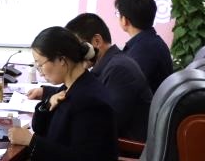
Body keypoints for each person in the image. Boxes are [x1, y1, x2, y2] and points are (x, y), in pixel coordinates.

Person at [7, 26, 118, 161]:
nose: (40, 71)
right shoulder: (71, 86)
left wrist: (30, 141)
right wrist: (46, 105)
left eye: (40, 64)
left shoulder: (89, 100)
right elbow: (39, 128)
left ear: (61, 60)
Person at [27, 13, 153, 141]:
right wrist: (46, 94)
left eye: (78, 46)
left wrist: (32, 142)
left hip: (126, 146)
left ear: (97, 41)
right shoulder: (106, 65)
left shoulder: (119, 69)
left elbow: (107, 123)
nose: (74, 53)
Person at [115, 0, 174, 94]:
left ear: (124, 20)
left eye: (118, 14)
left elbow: (126, 89)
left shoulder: (143, 50)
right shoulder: (150, 43)